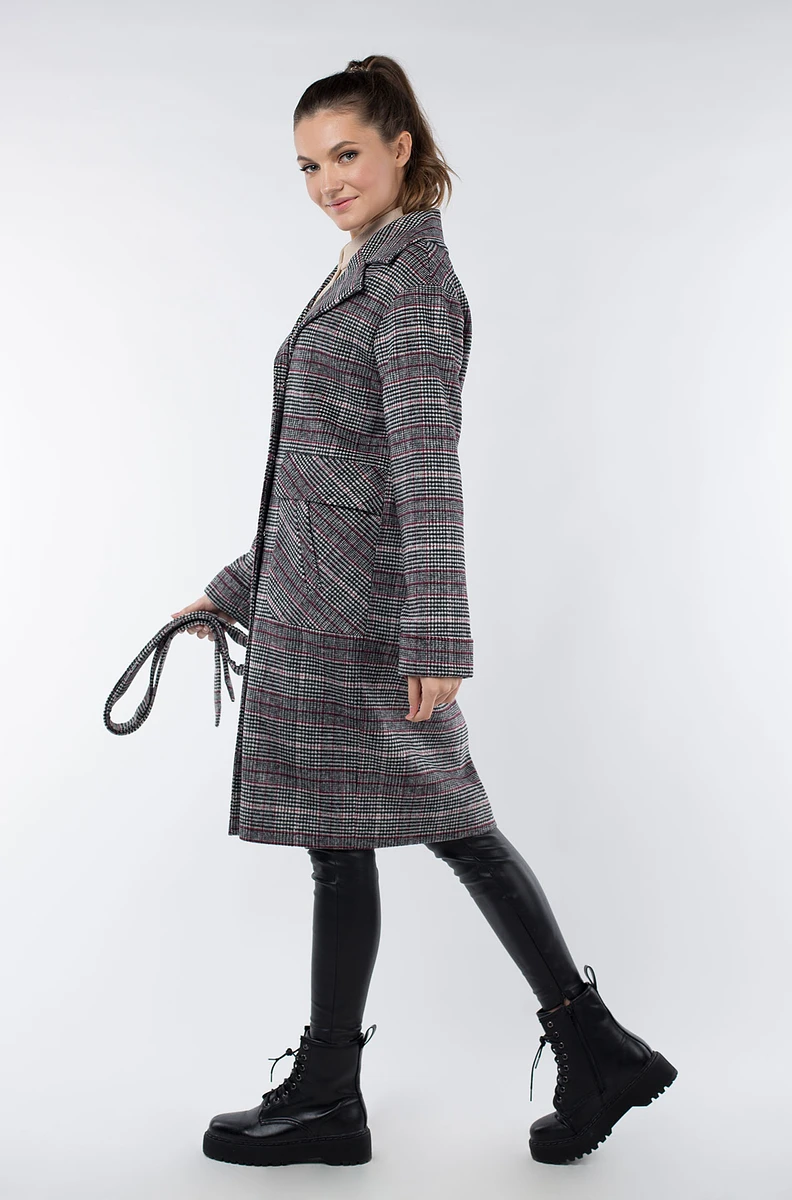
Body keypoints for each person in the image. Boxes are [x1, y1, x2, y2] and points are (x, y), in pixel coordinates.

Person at [171, 54, 677, 1170]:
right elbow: (327, 476)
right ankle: (334, 1093)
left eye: (347, 154)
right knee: (346, 842)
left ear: (402, 147)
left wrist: (437, 636)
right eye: (308, 165)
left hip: (371, 627)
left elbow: (424, 471)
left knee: (454, 824)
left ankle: (587, 1048)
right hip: (322, 612)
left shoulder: (409, 282)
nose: (327, 182)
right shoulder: (361, 268)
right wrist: (233, 588)